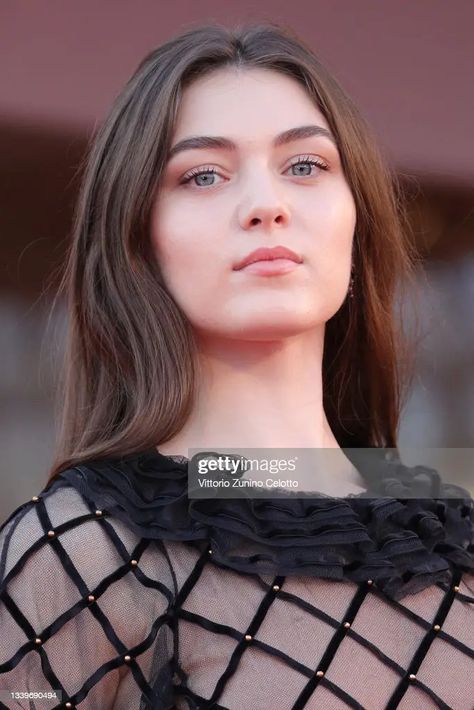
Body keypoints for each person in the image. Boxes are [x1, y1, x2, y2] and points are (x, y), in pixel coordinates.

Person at [0, 21, 473, 710]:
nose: (266, 206)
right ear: (139, 242)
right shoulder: (80, 554)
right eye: (203, 175)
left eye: (305, 165)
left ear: (356, 222)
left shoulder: (453, 540)